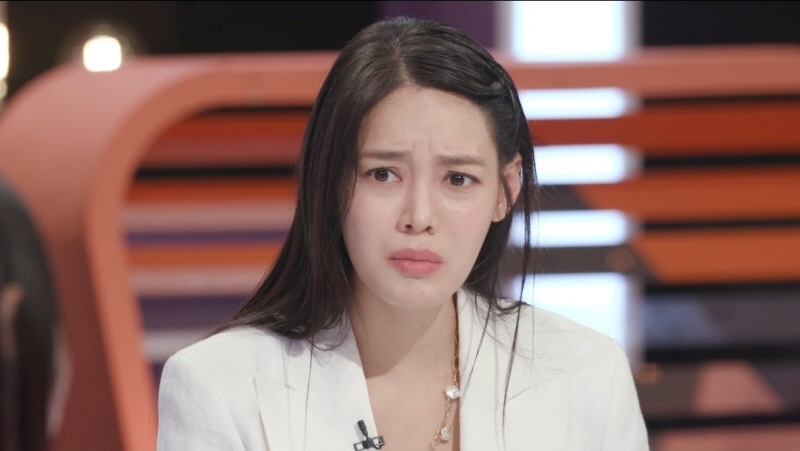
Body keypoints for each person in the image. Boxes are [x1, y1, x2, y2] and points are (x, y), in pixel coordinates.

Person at [157, 17, 649, 451]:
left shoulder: (587, 375)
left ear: (505, 190)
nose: (419, 216)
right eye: (383, 174)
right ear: (330, 182)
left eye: (458, 179)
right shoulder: (220, 388)